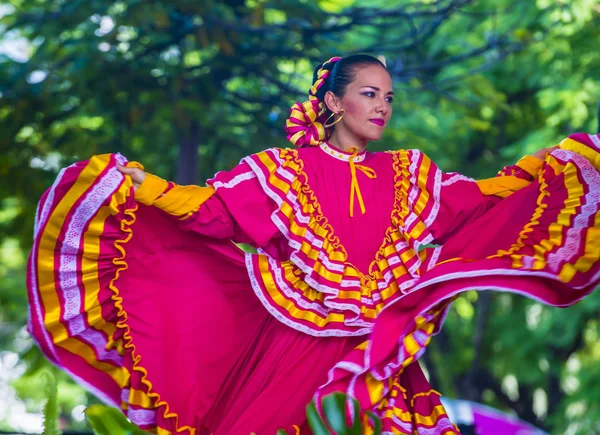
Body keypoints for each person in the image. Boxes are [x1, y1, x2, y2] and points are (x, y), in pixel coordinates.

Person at [27, 54, 600, 434]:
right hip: (292, 346)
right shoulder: (280, 171)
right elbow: (213, 213)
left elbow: (480, 199)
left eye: (388, 97)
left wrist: (546, 168)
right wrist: (144, 186)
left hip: (378, 352)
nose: (382, 106)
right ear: (333, 103)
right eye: (369, 94)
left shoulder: (412, 173)